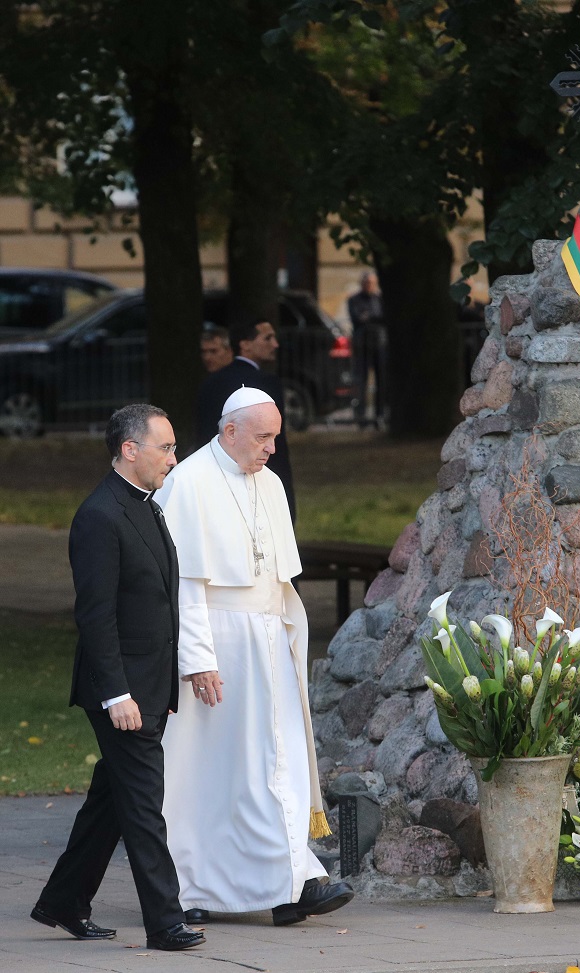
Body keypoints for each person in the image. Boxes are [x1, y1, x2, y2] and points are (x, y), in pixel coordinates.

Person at [156, 387, 353, 926]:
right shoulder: (190, 481)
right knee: (213, 773)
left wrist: (291, 640)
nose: (272, 449)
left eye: (275, 437)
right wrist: (197, 659)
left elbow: (278, 578)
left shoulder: (268, 482)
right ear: (230, 431)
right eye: (263, 437)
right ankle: (196, 887)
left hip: (268, 642)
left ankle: (291, 882)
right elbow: (183, 585)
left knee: (278, 762)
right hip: (219, 647)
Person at [30, 404, 205, 952]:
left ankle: (62, 901)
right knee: (144, 806)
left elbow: (155, 602)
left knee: (111, 801)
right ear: (130, 449)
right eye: (166, 447)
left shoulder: (147, 507)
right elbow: (96, 616)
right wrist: (117, 694)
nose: (174, 458)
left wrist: (164, 683)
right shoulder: (99, 515)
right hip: (121, 690)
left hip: (149, 684)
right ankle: (165, 922)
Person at [195, 317, 296, 521]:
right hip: (260, 480)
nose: (275, 345)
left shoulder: (210, 383)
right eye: (267, 338)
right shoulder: (266, 383)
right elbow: (276, 447)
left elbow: (203, 437)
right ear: (245, 344)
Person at [346, 270, 386, 426]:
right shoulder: (354, 299)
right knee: (360, 382)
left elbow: (381, 317)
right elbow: (357, 318)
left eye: (372, 283)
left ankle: (380, 416)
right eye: (367, 283)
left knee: (381, 382)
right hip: (361, 345)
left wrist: (368, 317)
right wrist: (372, 317)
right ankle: (361, 418)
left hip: (379, 345)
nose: (369, 286)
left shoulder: (379, 299)